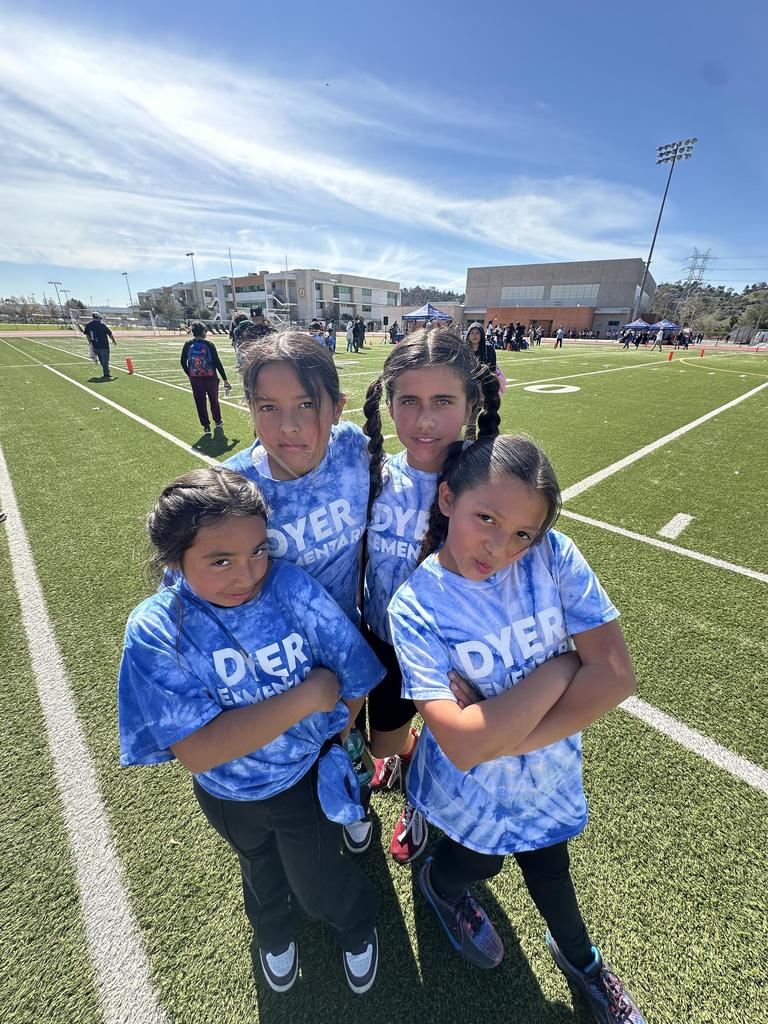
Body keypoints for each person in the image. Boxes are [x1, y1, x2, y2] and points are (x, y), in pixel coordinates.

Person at [388, 434, 645, 1024]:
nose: (501, 548)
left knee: (551, 867)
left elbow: (614, 676)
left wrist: (501, 732)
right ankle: (441, 887)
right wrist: (562, 667)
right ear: (448, 499)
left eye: (522, 534)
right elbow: (462, 744)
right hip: (469, 793)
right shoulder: (416, 606)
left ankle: (584, 963)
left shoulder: (553, 557)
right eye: (487, 519)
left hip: (545, 777)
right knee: (479, 862)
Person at [119, 468, 383, 995]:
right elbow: (199, 751)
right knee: (259, 868)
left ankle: (356, 923)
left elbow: (354, 669)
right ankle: (273, 932)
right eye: (221, 561)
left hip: (301, 782)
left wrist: (337, 735)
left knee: (316, 882)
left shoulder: (288, 587)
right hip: (223, 794)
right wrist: (308, 696)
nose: (247, 575)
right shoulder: (156, 629)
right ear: (174, 560)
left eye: (258, 551)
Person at [221, 331, 374, 852]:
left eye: (306, 405)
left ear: (337, 407)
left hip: (348, 649)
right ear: (250, 408)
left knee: (344, 738)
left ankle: (354, 800)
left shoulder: (354, 451)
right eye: (268, 406)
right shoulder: (234, 489)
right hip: (277, 665)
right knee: (296, 762)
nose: (287, 426)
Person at [360, 330, 501, 864]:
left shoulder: (487, 481)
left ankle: (418, 805)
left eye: (443, 402)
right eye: (409, 401)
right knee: (383, 742)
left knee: (449, 746)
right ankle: (404, 754)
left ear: (470, 404)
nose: (424, 421)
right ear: (388, 403)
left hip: (452, 656)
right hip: (382, 640)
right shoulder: (371, 470)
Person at [180, 322, 231, 435]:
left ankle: (206, 426)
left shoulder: (188, 344)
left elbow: (183, 362)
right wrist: (225, 379)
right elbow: (217, 362)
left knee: (200, 402)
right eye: (205, 330)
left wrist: (190, 374)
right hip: (211, 377)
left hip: (196, 379)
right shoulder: (209, 344)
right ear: (202, 332)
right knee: (214, 400)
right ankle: (217, 420)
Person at [80, 312, 116, 379]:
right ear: (98, 318)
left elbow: (87, 334)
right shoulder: (102, 325)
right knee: (105, 361)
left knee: (102, 360)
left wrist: (90, 342)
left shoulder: (89, 325)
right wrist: (113, 340)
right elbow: (109, 334)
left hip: (96, 346)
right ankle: (106, 374)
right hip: (103, 345)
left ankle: (106, 372)